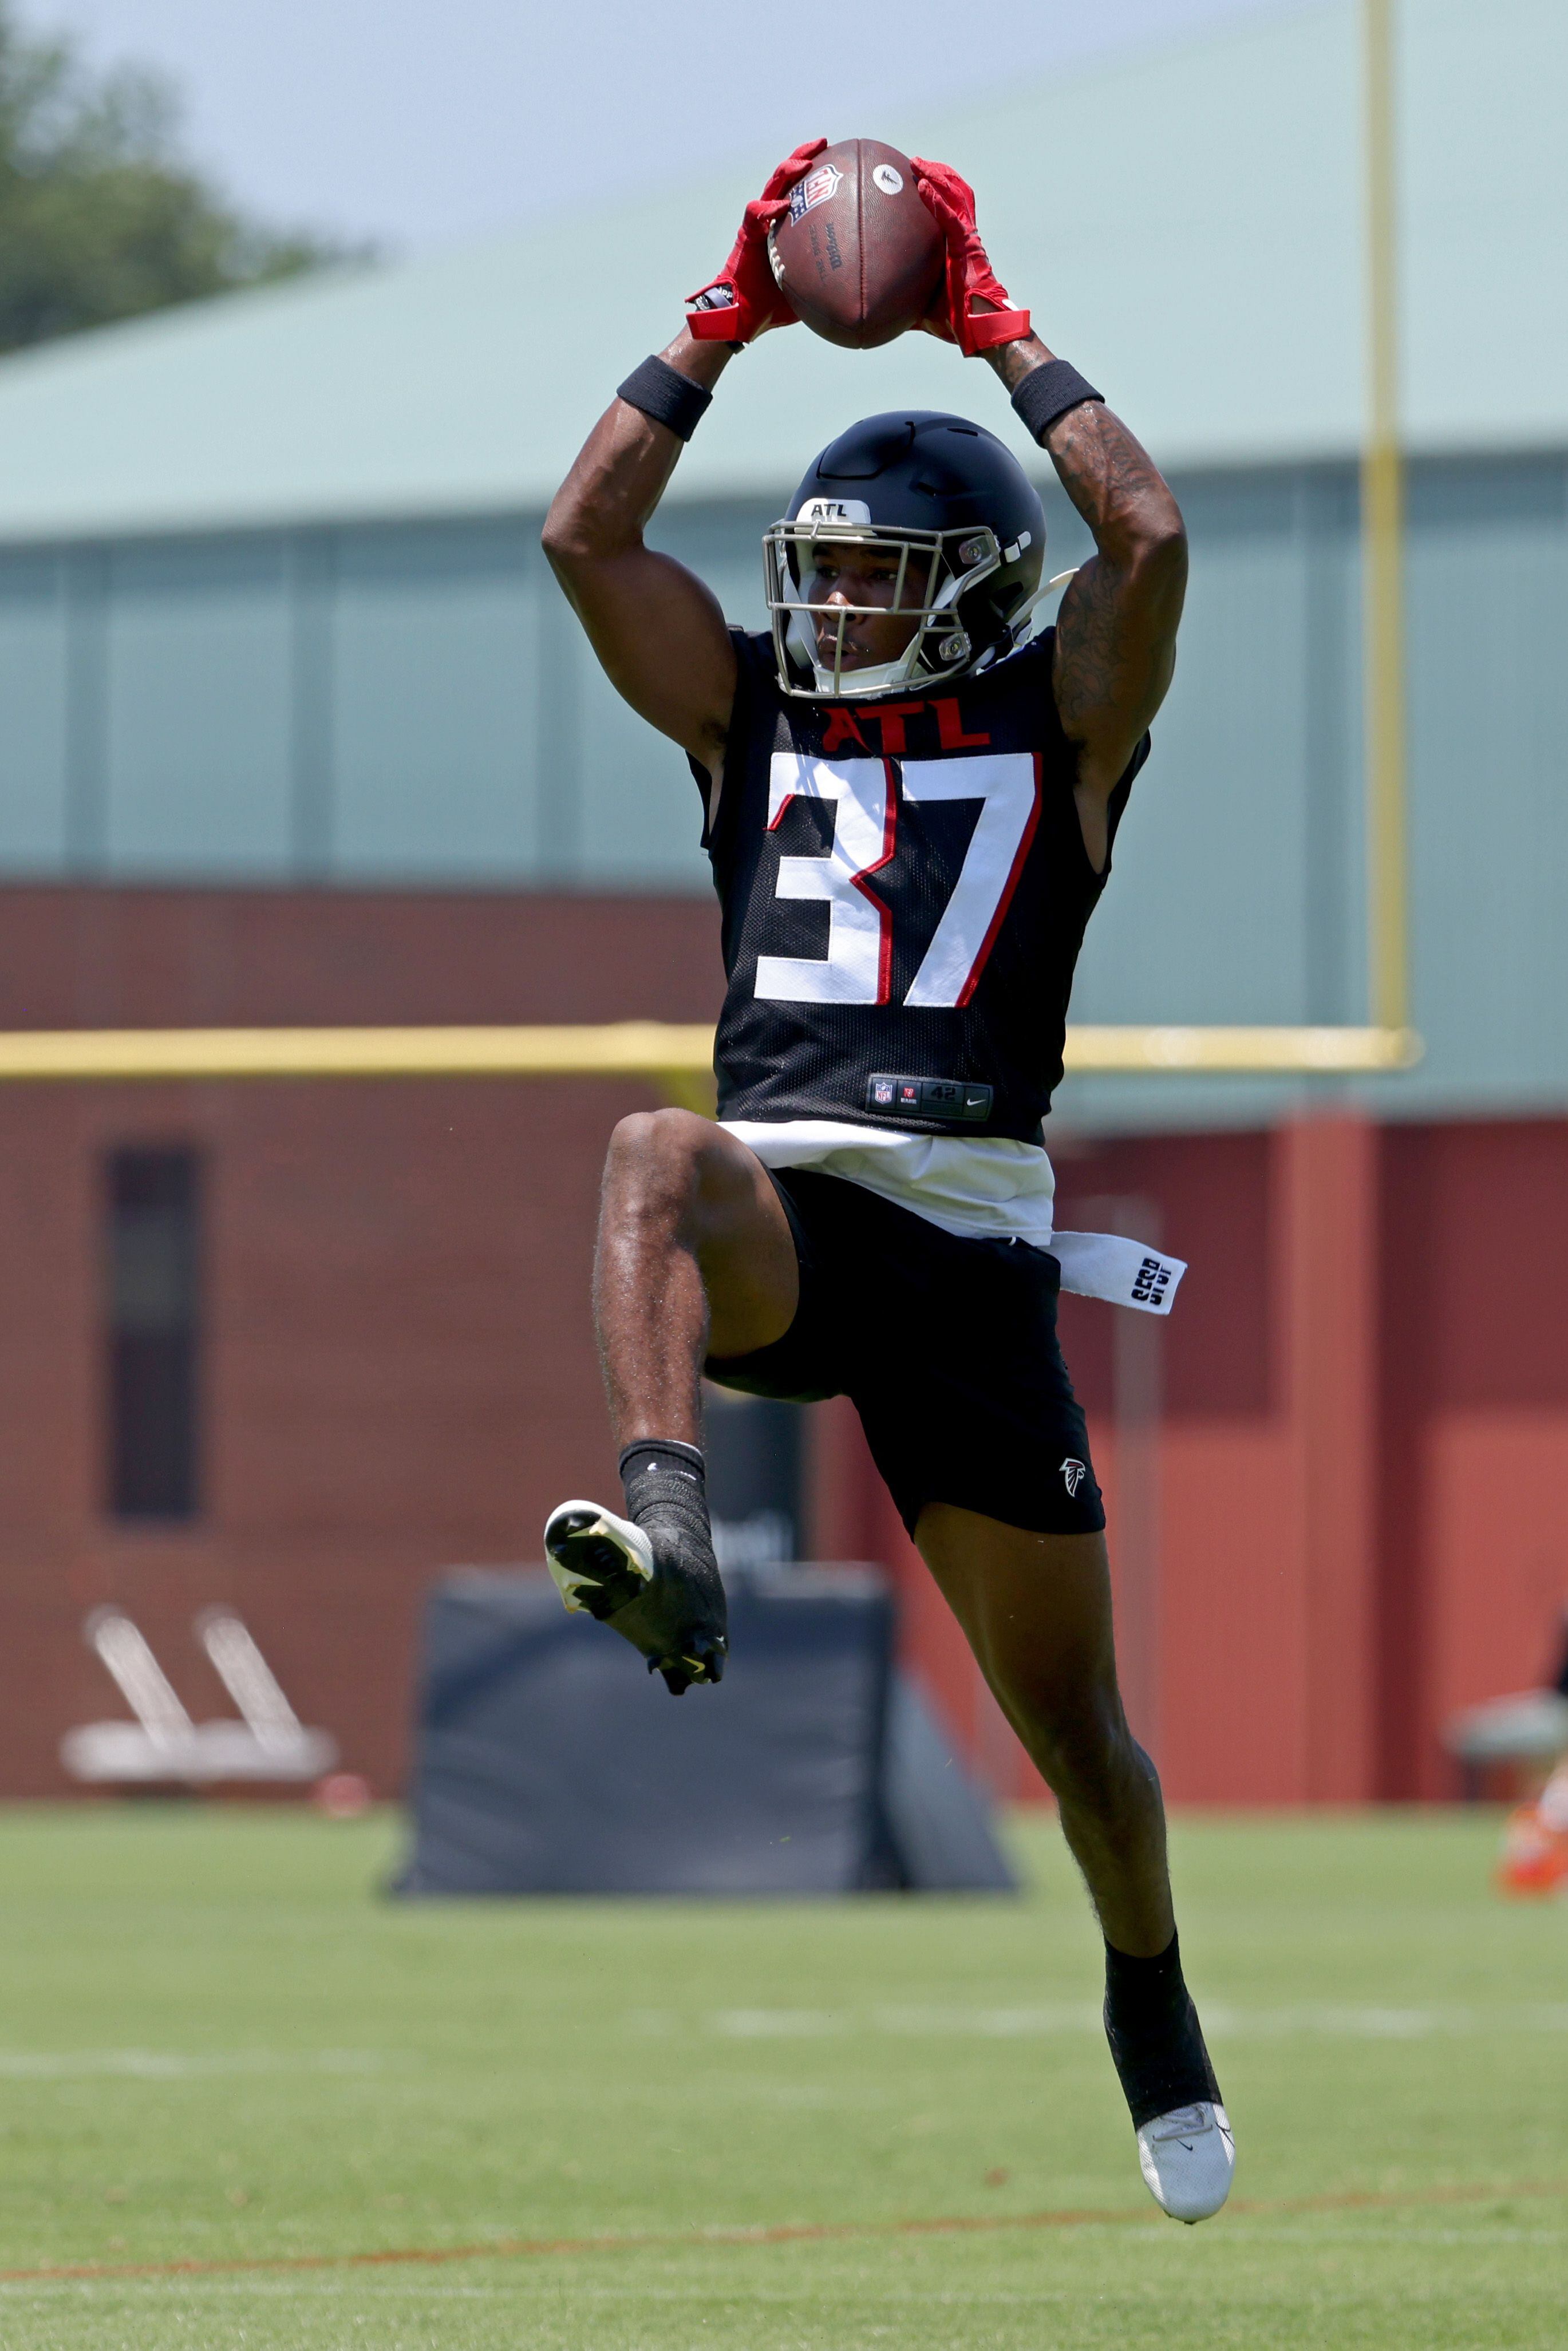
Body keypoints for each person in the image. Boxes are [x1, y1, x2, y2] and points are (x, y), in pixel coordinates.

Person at [539, 141, 1233, 2224]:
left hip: (966, 1259)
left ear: (971, 588)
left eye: (866, 575)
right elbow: (587, 533)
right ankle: (672, 1521)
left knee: (1081, 1743)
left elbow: (1149, 530)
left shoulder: (1061, 718)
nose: (824, 603)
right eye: (814, 568)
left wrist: (994, 323)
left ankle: (1149, 1991)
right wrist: (721, 313)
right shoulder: (747, 717)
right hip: (788, 1224)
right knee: (656, 1145)